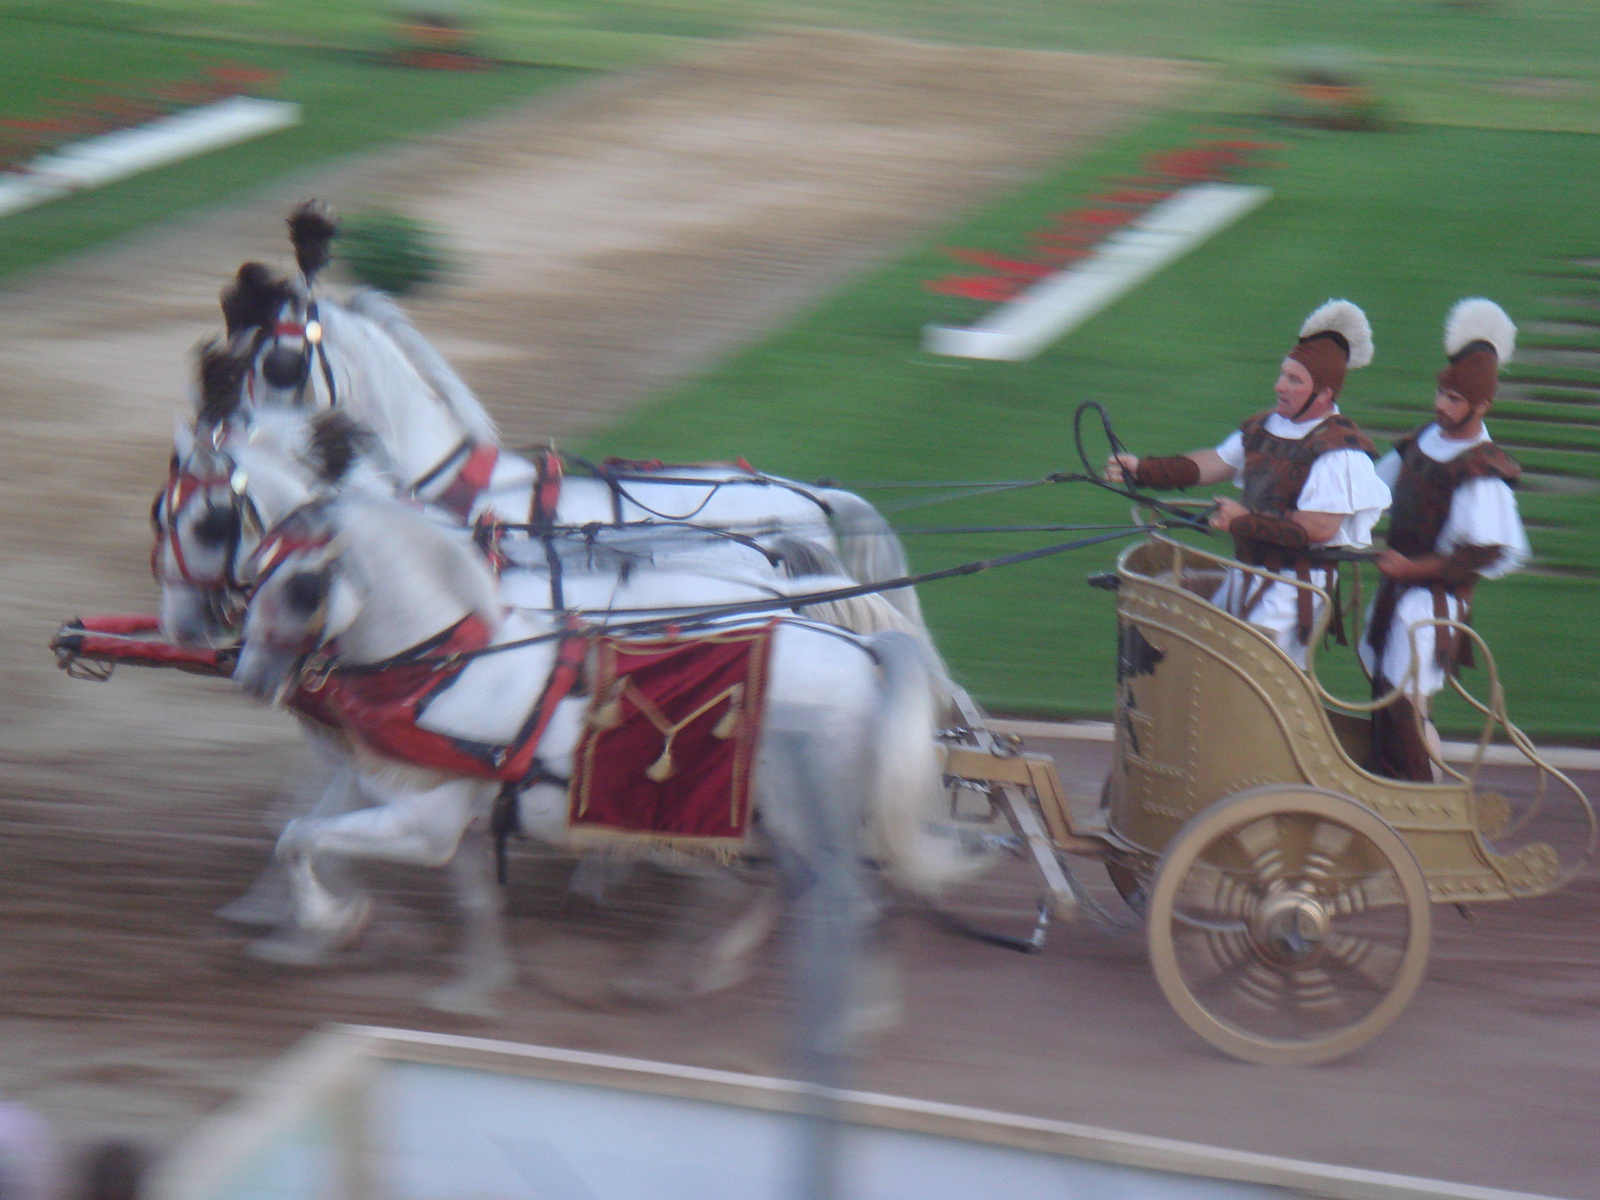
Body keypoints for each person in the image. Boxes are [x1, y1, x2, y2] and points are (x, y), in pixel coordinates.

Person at [1106, 299, 1390, 667]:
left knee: (1246, 680)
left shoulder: (1340, 450)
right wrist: (1144, 469)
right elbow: (1215, 463)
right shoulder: (1265, 425)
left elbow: (1318, 528)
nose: (1279, 386)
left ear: (1324, 394)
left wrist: (1241, 521)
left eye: (1294, 380)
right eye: (1283, 374)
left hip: (1293, 592)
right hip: (1248, 573)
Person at [1361, 298, 1528, 780]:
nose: (1440, 405)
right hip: (1398, 591)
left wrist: (1411, 570)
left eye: (1453, 399)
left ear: (1481, 406)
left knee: (1408, 710)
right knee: (1389, 702)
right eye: (1441, 393)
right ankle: (1404, 795)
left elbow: (1484, 553)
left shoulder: (1482, 468)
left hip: (1431, 604)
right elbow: (1373, 490)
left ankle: (1427, 808)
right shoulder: (1422, 441)